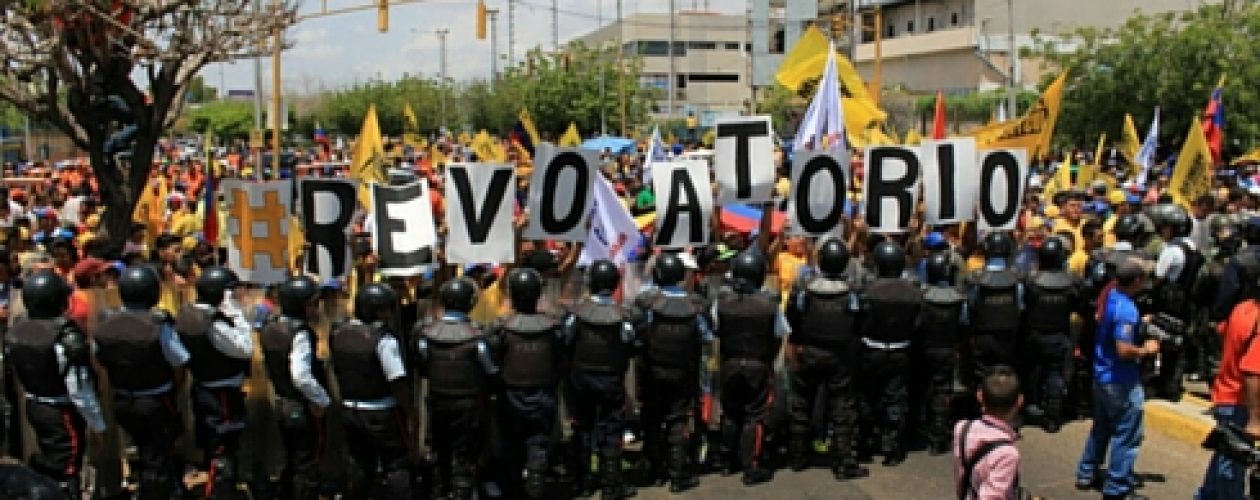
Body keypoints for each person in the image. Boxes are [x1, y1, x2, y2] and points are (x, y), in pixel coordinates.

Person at [6, 270, 107, 496]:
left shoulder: (17, 331)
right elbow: (79, 390)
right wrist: (97, 425)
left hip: (34, 405)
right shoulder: (65, 338)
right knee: (68, 469)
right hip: (62, 412)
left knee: (52, 463)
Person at [94, 266, 185, 499]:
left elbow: (99, 358)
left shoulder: (106, 324)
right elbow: (178, 361)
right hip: (156, 399)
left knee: (140, 447)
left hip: (123, 400)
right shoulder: (158, 325)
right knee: (156, 452)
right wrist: (175, 387)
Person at [1075, 259, 1160, 500]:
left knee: (1101, 427)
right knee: (1128, 432)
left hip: (1102, 374)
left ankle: (1086, 472)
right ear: (1135, 282)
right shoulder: (1126, 309)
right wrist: (1147, 350)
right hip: (1120, 379)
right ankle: (1117, 486)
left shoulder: (1109, 294)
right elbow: (1123, 349)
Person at [784, 239, 868, 479]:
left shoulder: (804, 290)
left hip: (809, 352)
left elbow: (793, 319)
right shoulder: (851, 294)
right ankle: (844, 462)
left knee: (801, 404)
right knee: (842, 408)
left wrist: (796, 346)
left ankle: (797, 456)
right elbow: (859, 323)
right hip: (839, 356)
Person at [633, 253, 712, 492]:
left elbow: (638, 335)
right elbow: (707, 336)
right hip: (683, 372)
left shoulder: (646, 302)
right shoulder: (696, 304)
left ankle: (653, 470)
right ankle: (678, 475)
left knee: (652, 420)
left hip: (652, 371)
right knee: (678, 420)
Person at [173, 266, 253, 499]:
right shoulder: (213, 322)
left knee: (215, 445)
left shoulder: (189, 314)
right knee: (223, 448)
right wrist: (237, 313)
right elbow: (244, 348)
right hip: (222, 394)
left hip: (205, 388)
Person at [330, 283, 414, 499]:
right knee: (396, 463)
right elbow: (397, 380)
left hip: (350, 409)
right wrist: (410, 411)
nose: (389, 314)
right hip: (382, 412)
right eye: (386, 309)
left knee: (359, 462)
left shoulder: (339, 333)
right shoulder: (384, 339)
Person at [563, 259, 638, 498]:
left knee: (582, 428)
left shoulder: (577, 313)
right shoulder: (623, 316)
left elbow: (566, 339)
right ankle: (610, 485)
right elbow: (631, 343)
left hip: (582, 379)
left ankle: (582, 483)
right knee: (611, 430)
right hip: (611, 380)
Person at [418, 278, 497, 500]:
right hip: (468, 406)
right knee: (464, 456)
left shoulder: (427, 335)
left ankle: (439, 491)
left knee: (439, 451)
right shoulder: (477, 337)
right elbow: (490, 369)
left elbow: (423, 362)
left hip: (438, 402)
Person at [489, 268, 563, 499]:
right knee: (537, 442)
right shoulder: (553, 327)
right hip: (542, 394)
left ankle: (516, 489)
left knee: (513, 444)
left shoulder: (501, 327)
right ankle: (535, 488)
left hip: (512, 395)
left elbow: (492, 359)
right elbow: (561, 359)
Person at [714, 251, 785, 485]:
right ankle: (751, 465)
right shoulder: (770, 305)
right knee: (755, 415)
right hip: (758, 364)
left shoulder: (722, 302)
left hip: (730, 362)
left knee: (731, 412)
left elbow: (715, 329)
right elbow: (779, 334)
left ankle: (725, 461)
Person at [260, 275, 330, 500]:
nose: (316, 308)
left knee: (291, 459)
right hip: (301, 406)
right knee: (307, 465)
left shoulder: (270, 327)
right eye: (312, 303)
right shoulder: (300, 332)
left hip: (281, 402)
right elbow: (300, 375)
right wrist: (321, 399)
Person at [1197, 267, 1260, 499]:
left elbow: (1223, 332)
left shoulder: (1242, 309)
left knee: (1224, 457)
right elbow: (1253, 372)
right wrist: (1255, 420)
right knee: (1232, 468)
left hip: (1225, 392)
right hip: (1239, 402)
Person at [858, 240, 922, 466]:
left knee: (867, 398)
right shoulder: (913, 293)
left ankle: (865, 445)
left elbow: (858, 320)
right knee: (894, 399)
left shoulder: (867, 291)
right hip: (900, 350)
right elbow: (918, 324)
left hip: (871, 349)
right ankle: (892, 448)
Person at [1022, 236, 1080, 432]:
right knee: (1055, 374)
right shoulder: (1070, 283)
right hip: (1059, 336)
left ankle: (1033, 409)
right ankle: (1053, 418)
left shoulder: (1032, 282)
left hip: (1035, 336)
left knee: (1033, 373)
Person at [1149, 203, 1201, 400]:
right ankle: (1173, 384)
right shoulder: (1192, 247)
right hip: (1186, 304)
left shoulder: (1171, 250)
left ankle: (1164, 384)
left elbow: (1158, 278)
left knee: (1163, 344)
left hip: (1169, 305)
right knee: (1178, 348)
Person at [919, 251, 967, 454]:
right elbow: (964, 324)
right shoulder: (959, 300)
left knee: (924, 388)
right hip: (947, 350)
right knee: (942, 390)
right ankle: (938, 433)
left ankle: (927, 427)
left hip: (925, 349)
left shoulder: (923, 297)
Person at [953, 365, 1023, 500]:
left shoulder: (962, 428)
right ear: (1020, 401)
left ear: (980, 396)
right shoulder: (1007, 454)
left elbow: (961, 474)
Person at [965, 232, 1024, 388]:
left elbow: (969, 306)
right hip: (1009, 337)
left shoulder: (976, 278)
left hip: (982, 337)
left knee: (982, 378)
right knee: (1006, 377)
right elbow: (1020, 306)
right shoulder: (1016, 279)